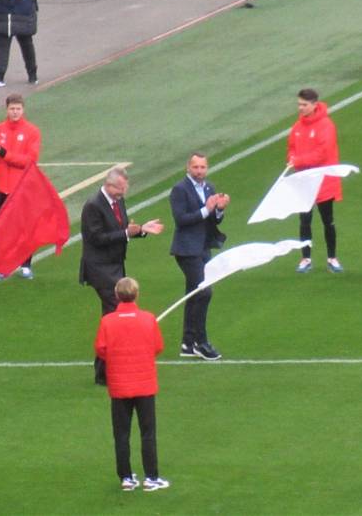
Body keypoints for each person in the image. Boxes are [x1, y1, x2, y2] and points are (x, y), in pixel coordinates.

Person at [80, 167, 163, 384]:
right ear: (110, 185)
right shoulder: (93, 205)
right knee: (113, 314)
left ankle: (104, 372)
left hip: (115, 265)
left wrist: (142, 229)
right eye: (120, 189)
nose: (123, 193)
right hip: (100, 268)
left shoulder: (117, 201)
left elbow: (123, 229)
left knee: (111, 316)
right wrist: (127, 233)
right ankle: (105, 373)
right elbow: (97, 238)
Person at [94, 277, 170, 492]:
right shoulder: (148, 319)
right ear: (136, 295)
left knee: (121, 433)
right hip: (144, 385)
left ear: (117, 296)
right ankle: (151, 477)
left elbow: (101, 349)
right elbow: (158, 346)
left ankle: (126, 477)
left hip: (119, 385)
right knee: (148, 432)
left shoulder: (108, 321)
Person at [169, 153, 228, 361]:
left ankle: (187, 343)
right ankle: (200, 343)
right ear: (188, 168)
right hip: (186, 249)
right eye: (196, 167)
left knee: (195, 293)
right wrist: (207, 209)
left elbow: (214, 220)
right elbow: (181, 219)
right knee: (204, 292)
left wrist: (219, 210)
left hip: (203, 248)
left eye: (203, 167)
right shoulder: (180, 189)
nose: (200, 171)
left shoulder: (209, 188)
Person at [0, 93, 41, 278]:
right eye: (12, 109)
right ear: (6, 110)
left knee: (23, 227)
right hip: (1, 187)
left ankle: (26, 265)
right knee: (4, 229)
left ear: (23, 110)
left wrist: (5, 154)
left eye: (18, 109)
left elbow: (29, 160)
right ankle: (6, 265)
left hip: (21, 188)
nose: (15, 112)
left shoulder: (32, 131)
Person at [287, 88, 344, 274]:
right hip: (304, 181)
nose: (300, 108)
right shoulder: (297, 127)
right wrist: (292, 159)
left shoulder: (326, 126)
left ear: (314, 104)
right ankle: (305, 258)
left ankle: (332, 258)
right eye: (299, 104)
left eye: (304, 105)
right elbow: (292, 148)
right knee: (304, 220)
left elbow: (323, 153)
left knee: (328, 220)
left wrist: (299, 161)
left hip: (323, 182)